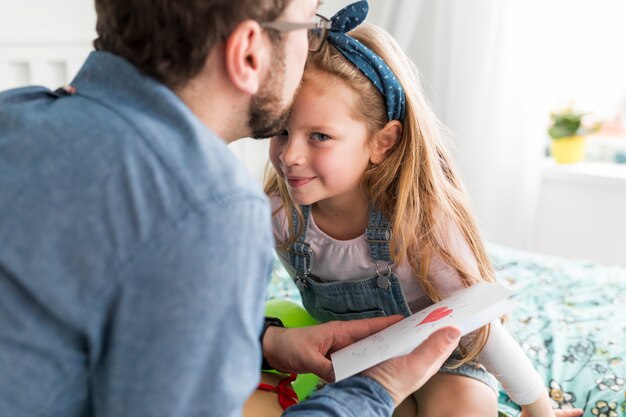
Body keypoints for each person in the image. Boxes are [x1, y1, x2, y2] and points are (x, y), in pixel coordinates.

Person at [0, 0, 462, 416]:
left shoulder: (12, 116)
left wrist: (267, 341)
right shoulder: (207, 205)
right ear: (248, 53)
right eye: (309, 26)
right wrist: (375, 388)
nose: (313, 46)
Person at [264, 2, 584, 417]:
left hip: (448, 354)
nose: (290, 155)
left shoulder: (418, 222)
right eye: (281, 131)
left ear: (382, 141)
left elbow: (479, 322)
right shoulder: (278, 216)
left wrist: (537, 406)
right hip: (360, 360)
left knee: (460, 408)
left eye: (320, 136)